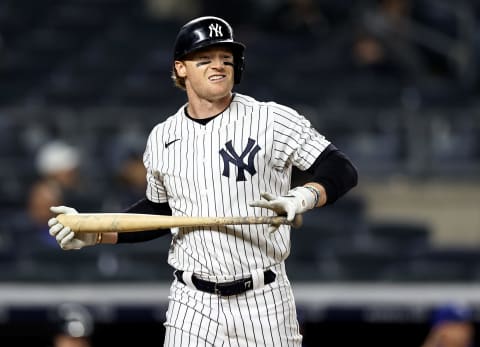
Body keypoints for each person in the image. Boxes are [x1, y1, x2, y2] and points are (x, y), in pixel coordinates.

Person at [48, 16, 358, 346]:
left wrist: (303, 197)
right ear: (181, 68)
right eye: (205, 58)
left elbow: (340, 169)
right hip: (192, 301)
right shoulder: (163, 136)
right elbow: (160, 213)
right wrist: (96, 233)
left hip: (263, 299)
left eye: (226, 58)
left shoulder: (271, 119)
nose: (219, 66)